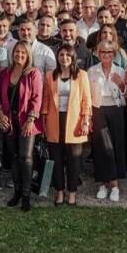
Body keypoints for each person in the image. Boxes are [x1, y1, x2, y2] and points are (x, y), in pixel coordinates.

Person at [41, 45, 92, 206]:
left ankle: (72, 193)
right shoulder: (50, 75)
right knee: (55, 159)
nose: (64, 58)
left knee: (74, 159)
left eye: (67, 55)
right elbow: (46, 99)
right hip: (54, 121)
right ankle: (59, 192)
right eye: (61, 55)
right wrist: (43, 120)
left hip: (75, 122)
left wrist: (85, 121)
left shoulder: (81, 75)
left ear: (73, 57)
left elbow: (86, 100)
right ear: (57, 57)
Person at [0, 41, 43, 209]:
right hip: (9, 121)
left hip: (27, 121)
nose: (19, 55)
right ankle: (17, 191)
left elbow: (37, 98)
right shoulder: (5, 73)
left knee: (26, 157)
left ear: (28, 55)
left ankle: (26, 195)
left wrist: (31, 119)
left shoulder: (33, 73)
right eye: (17, 52)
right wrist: (0, 114)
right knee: (14, 157)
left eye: (23, 52)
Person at [87, 40, 127, 202]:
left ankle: (114, 185)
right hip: (98, 109)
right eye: (102, 52)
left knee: (116, 146)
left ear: (114, 54)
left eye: (109, 52)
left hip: (116, 109)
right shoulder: (91, 71)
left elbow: (126, 93)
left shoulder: (120, 70)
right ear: (98, 53)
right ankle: (105, 184)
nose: (106, 54)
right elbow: (87, 94)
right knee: (102, 147)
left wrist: (121, 84)